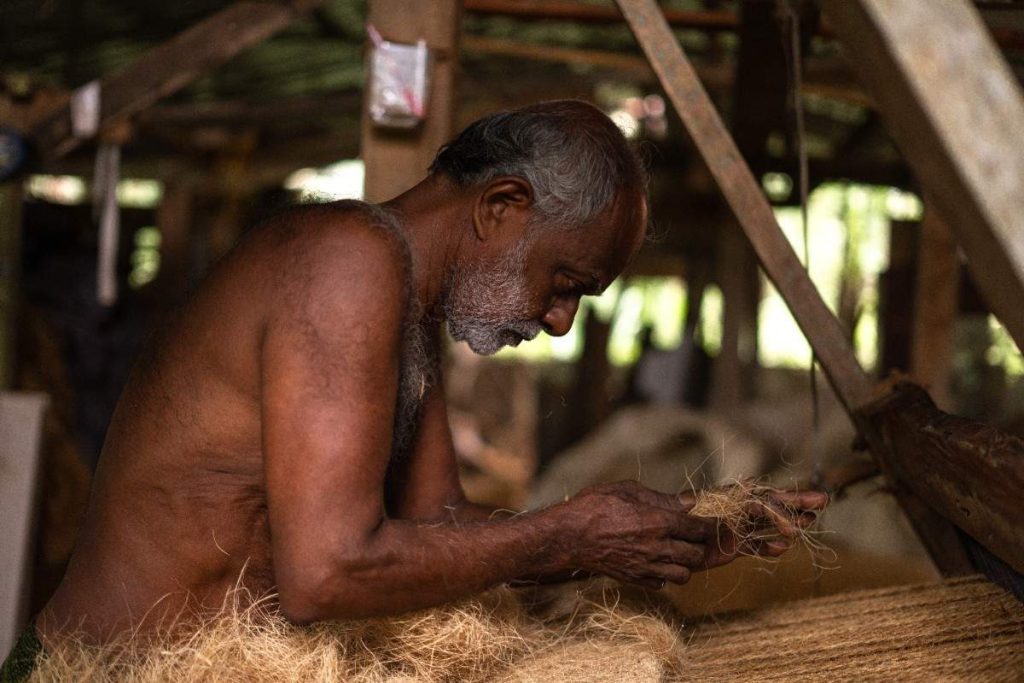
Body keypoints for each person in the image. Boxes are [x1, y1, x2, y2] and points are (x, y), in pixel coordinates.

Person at [6, 101, 825, 672]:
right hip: (105, 671)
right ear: (501, 205)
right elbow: (326, 572)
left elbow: (443, 526)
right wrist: (570, 533)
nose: (562, 320)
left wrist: (667, 536)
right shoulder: (345, 264)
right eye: (565, 280)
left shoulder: (403, 302)